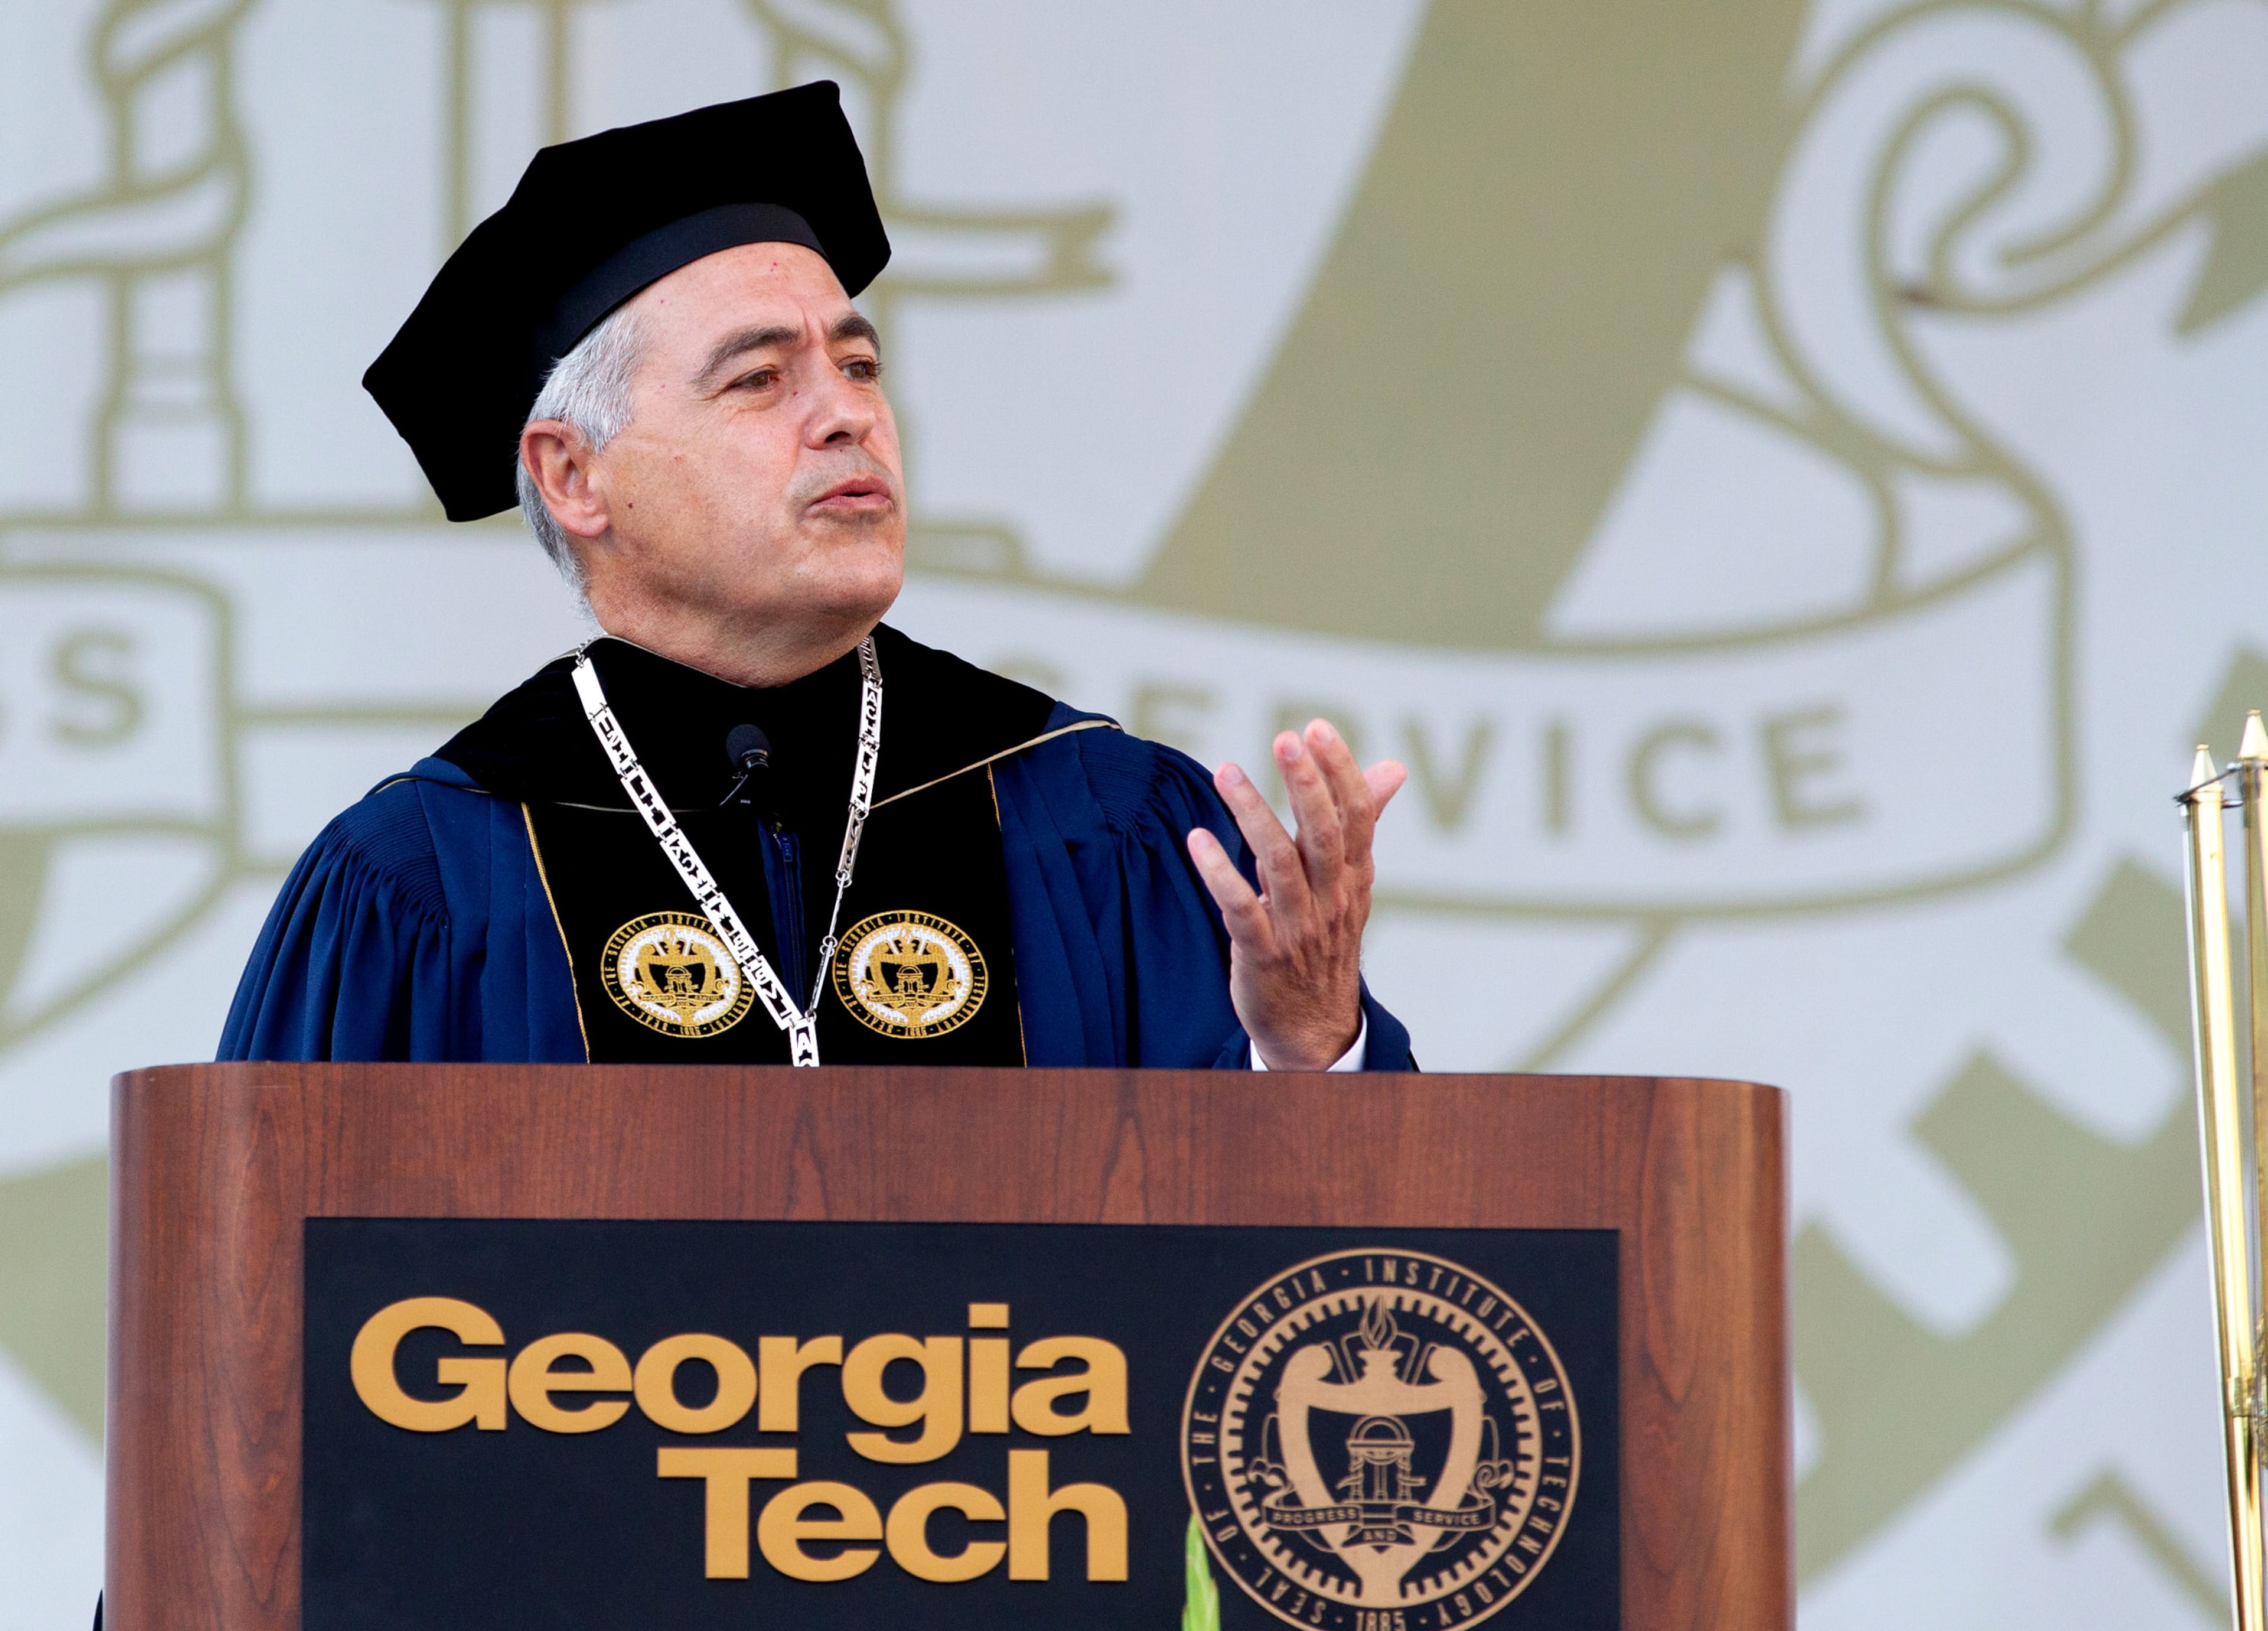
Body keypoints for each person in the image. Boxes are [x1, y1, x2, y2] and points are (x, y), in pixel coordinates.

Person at [220, 82, 1413, 1072]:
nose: (847, 417)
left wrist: (1314, 1051)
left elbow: (1306, 1305)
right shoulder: (423, 881)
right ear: (574, 475)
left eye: (857, 365)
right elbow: (273, 1305)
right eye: (760, 379)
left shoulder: (1101, 819)